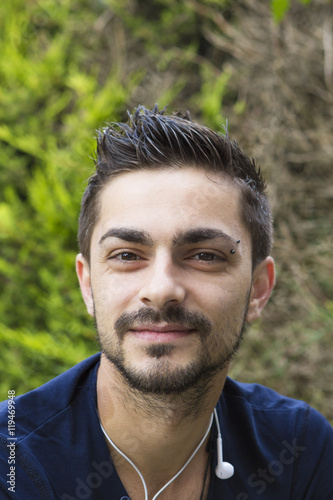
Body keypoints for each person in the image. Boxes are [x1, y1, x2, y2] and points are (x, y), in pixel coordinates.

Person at [0, 105, 332, 500]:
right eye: (126, 255)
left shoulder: (300, 452)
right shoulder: (13, 466)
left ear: (258, 290)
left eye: (205, 255)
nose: (160, 289)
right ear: (88, 285)